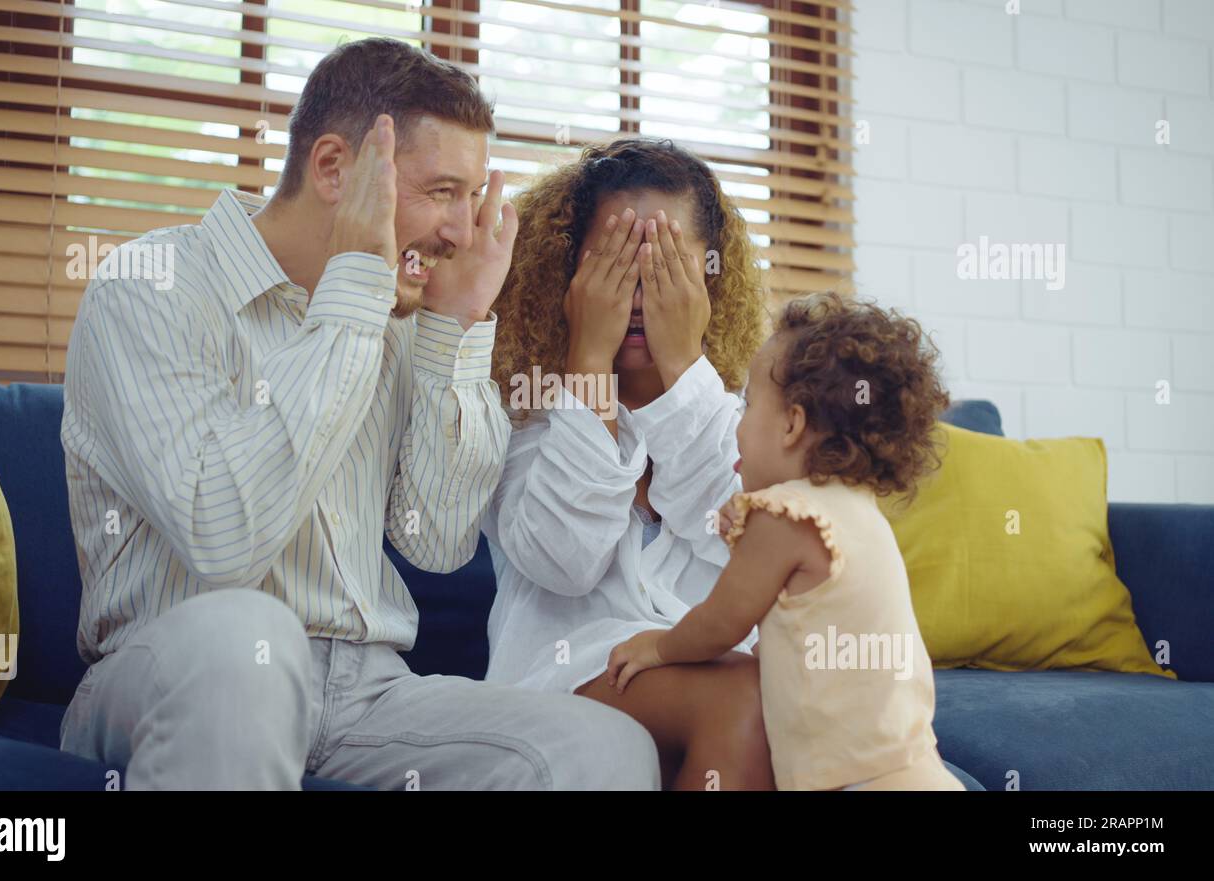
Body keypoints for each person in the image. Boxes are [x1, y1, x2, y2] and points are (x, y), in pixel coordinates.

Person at [58, 37, 659, 791]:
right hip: (177, 669)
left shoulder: (397, 317)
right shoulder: (151, 291)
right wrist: (351, 291)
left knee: (606, 748)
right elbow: (222, 537)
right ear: (335, 169)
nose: (462, 233)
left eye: (474, 200)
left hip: (363, 693)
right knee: (252, 639)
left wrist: (453, 329)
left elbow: (436, 540)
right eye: (442, 192)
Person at [484, 138, 773, 789]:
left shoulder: (745, 419)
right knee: (749, 699)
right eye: (616, 263)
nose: (640, 293)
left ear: (709, 279)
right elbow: (564, 562)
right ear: (570, 277)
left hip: (710, 679)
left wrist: (681, 370)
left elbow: (745, 546)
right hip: (563, 687)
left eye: (664, 265)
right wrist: (588, 361)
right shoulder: (519, 410)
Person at [607, 293, 965, 791]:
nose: (737, 422)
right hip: (912, 769)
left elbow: (721, 622)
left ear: (793, 424)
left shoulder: (783, 518)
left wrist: (659, 648)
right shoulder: (855, 511)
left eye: (748, 404)